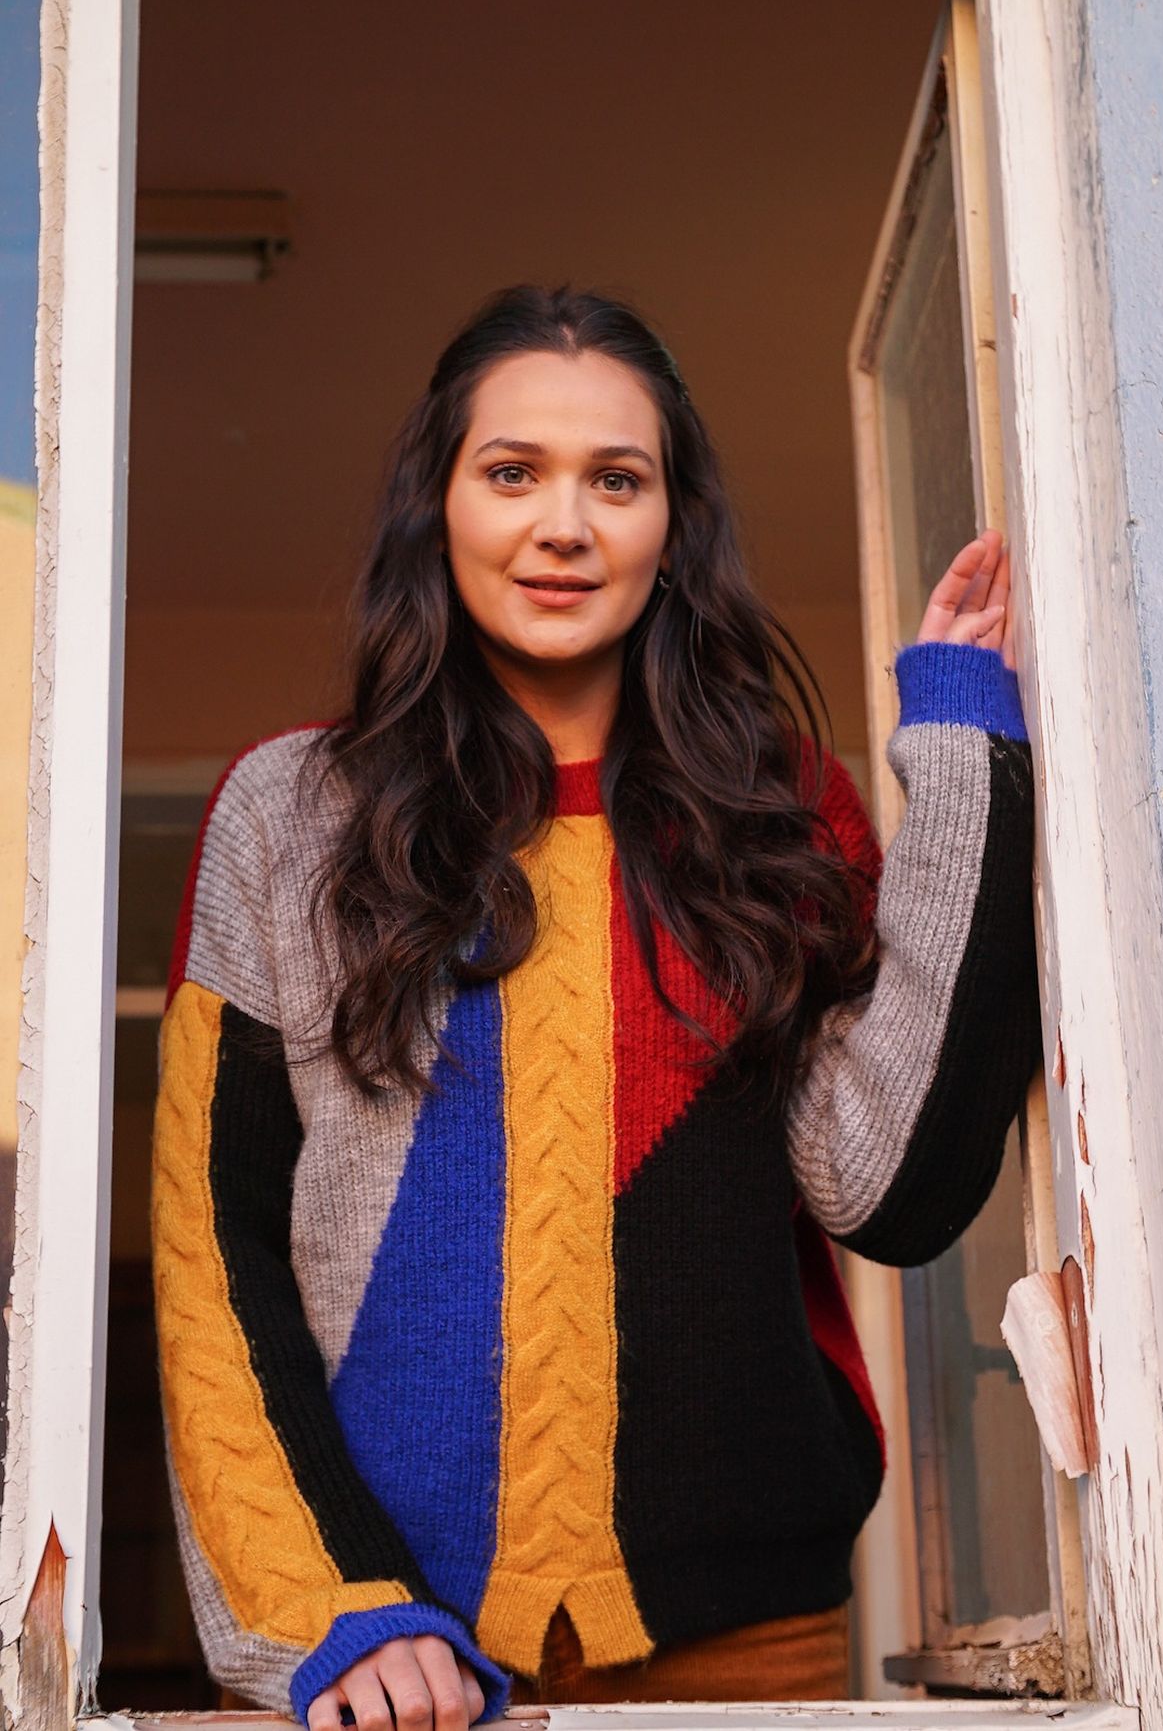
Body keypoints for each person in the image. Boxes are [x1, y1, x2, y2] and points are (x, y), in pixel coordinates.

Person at [151, 284, 1040, 1731]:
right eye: (513, 472)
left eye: (616, 480)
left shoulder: (778, 812)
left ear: (672, 529)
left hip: (747, 1640)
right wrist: (333, 1605)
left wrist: (956, 745)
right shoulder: (291, 815)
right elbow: (213, 1248)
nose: (563, 525)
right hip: (372, 1652)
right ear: (438, 507)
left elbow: (893, 1188)